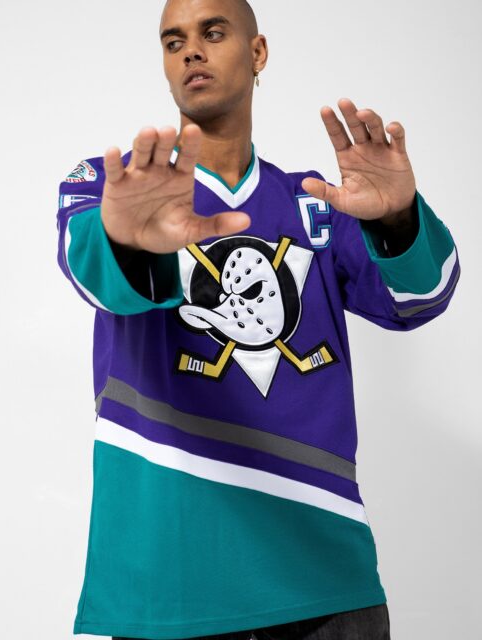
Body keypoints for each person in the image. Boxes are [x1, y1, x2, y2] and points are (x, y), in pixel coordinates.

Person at [56, 0, 460, 638]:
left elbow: (420, 298)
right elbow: (96, 278)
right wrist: (125, 238)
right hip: (167, 586)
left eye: (213, 32)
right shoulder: (118, 188)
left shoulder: (318, 203)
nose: (191, 51)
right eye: (173, 41)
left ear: (258, 52)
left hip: (325, 582)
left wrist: (397, 218)